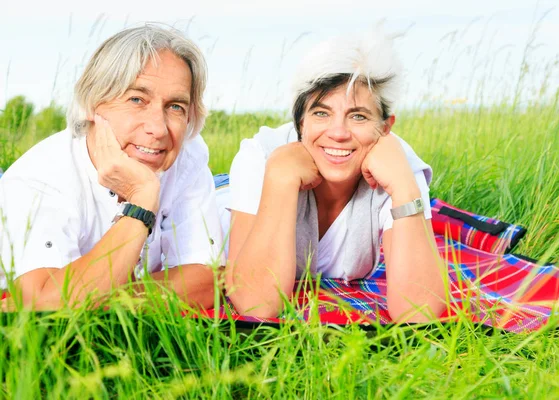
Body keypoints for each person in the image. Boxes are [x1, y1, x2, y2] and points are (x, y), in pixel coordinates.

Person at [223, 26, 446, 322]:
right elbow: (255, 304)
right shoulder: (260, 157)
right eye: (321, 113)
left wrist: (405, 189)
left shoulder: (397, 164)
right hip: (221, 192)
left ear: (385, 127)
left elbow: (418, 310)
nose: (338, 133)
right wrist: (279, 179)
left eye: (358, 116)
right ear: (300, 122)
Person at [0, 24, 223, 310]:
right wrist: (142, 201)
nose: (157, 128)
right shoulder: (39, 180)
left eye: (175, 107)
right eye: (136, 99)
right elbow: (46, 305)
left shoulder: (188, 157)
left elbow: (207, 281)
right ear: (94, 102)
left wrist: (99, 293)